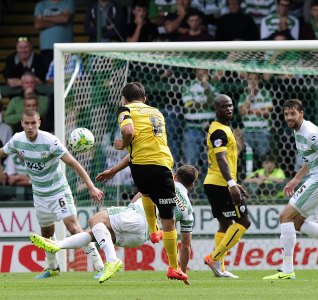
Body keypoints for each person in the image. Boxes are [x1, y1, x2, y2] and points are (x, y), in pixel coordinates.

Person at [31, 164, 199, 284]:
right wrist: (181, 271)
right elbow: (185, 246)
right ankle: (56, 244)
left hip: (138, 215)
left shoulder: (165, 180)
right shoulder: (188, 210)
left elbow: (141, 194)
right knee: (94, 234)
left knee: (95, 220)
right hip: (142, 237)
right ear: (192, 185)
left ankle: (112, 260)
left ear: (175, 176)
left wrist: (130, 209)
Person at [0, 110, 104, 279]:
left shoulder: (50, 141)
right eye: (27, 123)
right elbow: (2, 152)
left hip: (59, 192)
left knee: (74, 228)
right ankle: (53, 267)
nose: (30, 127)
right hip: (40, 194)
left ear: (39, 123)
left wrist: (91, 187)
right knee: (46, 232)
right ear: (22, 123)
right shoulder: (17, 140)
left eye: (33, 123)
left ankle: (99, 266)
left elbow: (73, 163)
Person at [262, 99, 318, 280]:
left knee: (285, 217)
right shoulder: (298, 131)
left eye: (292, 114)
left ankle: (287, 271)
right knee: (295, 222)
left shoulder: (310, 133)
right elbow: (311, 158)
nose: (289, 117)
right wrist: (296, 178)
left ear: (301, 113)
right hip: (316, 178)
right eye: (286, 114)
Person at [114, 82, 188, 282]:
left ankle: (153, 232)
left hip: (138, 166)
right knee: (169, 220)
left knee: (145, 193)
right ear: (144, 99)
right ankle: (173, 267)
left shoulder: (124, 109)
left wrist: (123, 146)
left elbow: (128, 131)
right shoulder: (157, 112)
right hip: (161, 164)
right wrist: (125, 143)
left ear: (125, 99)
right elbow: (135, 134)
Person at [203, 94, 251, 278]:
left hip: (217, 183)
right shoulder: (218, 131)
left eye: (230, 105)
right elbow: (221, 158)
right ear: (216, 109)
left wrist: (234, 183)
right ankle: (215, 257)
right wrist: (231, 184)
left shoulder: (222, 128)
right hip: (220, 184)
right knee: (244, 221)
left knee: (225, 224)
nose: (229, 109)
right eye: (224, 106)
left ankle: (219, 268)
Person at [238, 72, 274, 168]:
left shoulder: (265, 93)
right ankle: (249, 177)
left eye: (255, 79)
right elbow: (242, 111)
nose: (253, 81)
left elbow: (266, 113)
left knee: (264, 157)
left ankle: (264, 178)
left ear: (259, 80)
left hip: (262, 131)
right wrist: (250, 96)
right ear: (247, 81)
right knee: (248, 157)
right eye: (250, 79)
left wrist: (250, 111)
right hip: (247, 131)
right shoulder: (243, 95)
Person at [34, 0, 75, 69]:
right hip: (46, 48)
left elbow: (64, 19)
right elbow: (38, 25)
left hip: (65, 47)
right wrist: (58, 20)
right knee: (48, 76)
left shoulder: (68, 2)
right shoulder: (41, 4)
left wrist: (44, 17)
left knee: (65, 74)